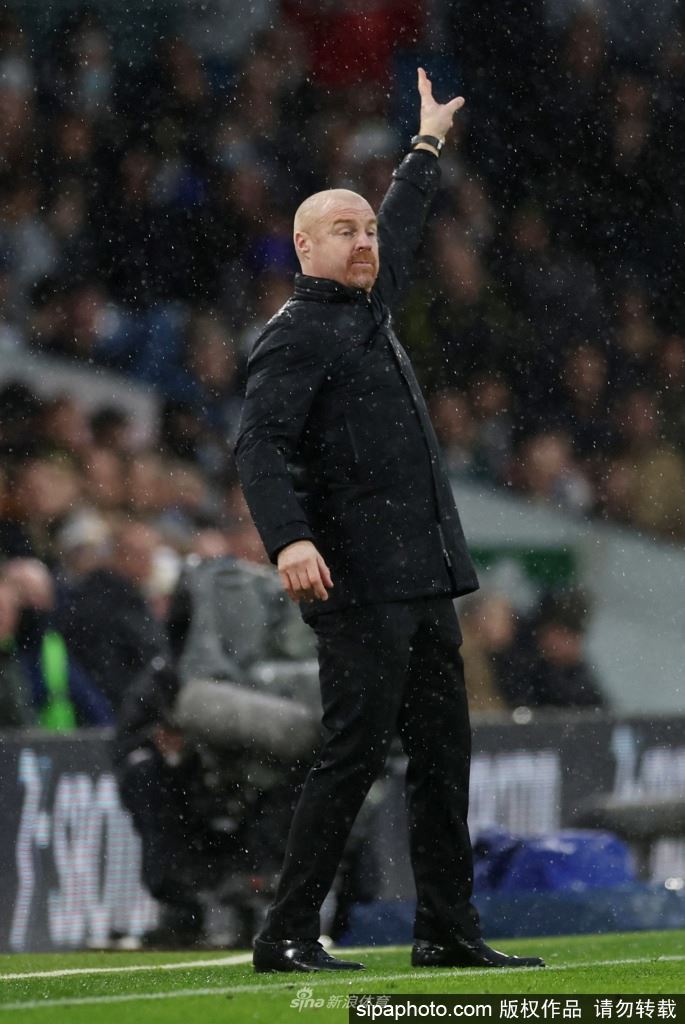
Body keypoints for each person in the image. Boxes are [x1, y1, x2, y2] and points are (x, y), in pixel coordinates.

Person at [236, 69, 545, 973]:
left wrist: (425, 145)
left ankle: (444, 929)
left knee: (443, 760)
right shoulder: (294, 333)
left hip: (423, 579)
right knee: (351, 756)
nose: (366, 239)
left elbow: (404, 220)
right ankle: (285, 931)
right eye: (345, 229)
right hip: (360, 582)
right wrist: (290, 539)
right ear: (303, 246)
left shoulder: (368, 309)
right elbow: (258, 447)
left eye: (366, 229)